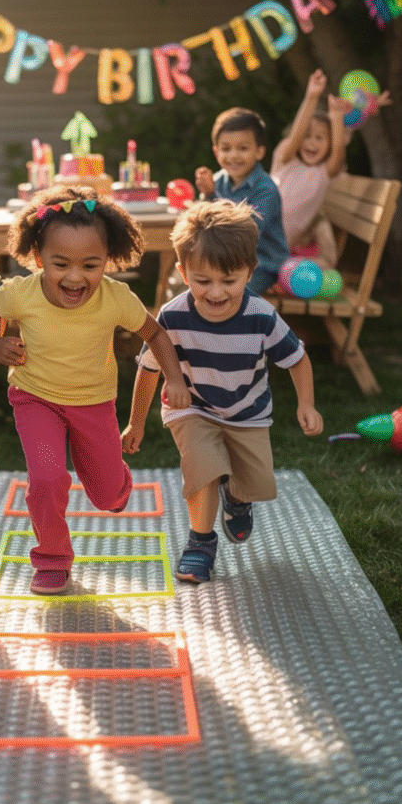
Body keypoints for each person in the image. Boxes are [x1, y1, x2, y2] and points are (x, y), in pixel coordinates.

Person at [0, 186, 190, 596]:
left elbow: (156, 334)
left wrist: (176, 379)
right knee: (47, 478)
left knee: (108, 497)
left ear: (109, 261)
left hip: (94, 406)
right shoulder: (23, 293)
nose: (75, 277)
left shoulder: (115, 298)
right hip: (35, 399)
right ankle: (53, 560)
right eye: (60, 264)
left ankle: (114, 480)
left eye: (90, 265)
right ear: (39, 258)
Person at [121, 199, 323, 584]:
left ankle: (239, 495)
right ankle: (200, 543)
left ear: (250, 272)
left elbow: (297, 359)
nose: (215, 292)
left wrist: (307, 405)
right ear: (182, 272)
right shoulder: (172, 316)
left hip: (247, 412)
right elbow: (148, 370)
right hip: (192, 409)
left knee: (257, 482)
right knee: (203, 469)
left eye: (228, 281)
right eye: (202, 280)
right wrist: (135, 425)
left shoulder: (262, 316)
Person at [194, 107, 288, 294]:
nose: (233, 155)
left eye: (243, 148)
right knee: (192, 281)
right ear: (216, 152)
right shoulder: (218, 181)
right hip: (225, 263)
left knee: (229, 292)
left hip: (262, 266)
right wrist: (204, 196)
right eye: (226, 149)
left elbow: (245, 231)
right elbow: (202, 223)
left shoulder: (266, 189)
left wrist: (212, 197)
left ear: (260, 152)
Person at [271, 69, 349, 268]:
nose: (311, 142)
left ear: (329, 144)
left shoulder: (324, 173)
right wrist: (312, 97)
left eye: (320, 137)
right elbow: (297, 133)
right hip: (258, 234)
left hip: (279, 252)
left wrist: (337, 118)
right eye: (308, 136)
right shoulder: (285, 158)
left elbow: (339, 149)